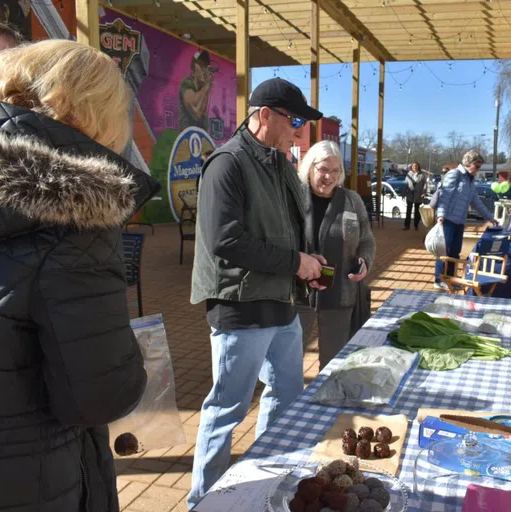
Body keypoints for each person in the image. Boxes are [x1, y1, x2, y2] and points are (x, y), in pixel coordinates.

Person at [0, 39, 158, 511]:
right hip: (28, 479)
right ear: (98, 116)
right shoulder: (78, 221)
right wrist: (134, 357)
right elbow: (101, 396)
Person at [188, 77, 325, 508]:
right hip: (240, 309)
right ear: (264, 115)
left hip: (281, 304)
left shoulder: (279, 164)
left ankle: (265, 484)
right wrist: (294, 264)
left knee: (285, 398)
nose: (300, 130)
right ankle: (203, 501)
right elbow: (225, 241)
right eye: (295, 120)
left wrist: (307, 265)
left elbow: (286, 233)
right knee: (227, 411)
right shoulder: (226, 164)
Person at [297, 141, 376, 370]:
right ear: (309, 168)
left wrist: (364, 261)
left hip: (340, 294)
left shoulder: (352, 201)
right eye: (322, 169)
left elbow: (367, 240)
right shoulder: (294, 198)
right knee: (287, 364)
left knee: (333, 366)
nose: (328, 177)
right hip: (297, 295)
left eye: (335, 171)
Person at [433, 150, 496, 290]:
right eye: (477, 166)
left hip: (460, 221)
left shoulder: (470, 181)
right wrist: (440, 215)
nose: (478, 170)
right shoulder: (454, 174)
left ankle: (450, 279)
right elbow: (444, 196)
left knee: (455, 252)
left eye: (480, 167)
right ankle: (439, 279)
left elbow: (476, 202)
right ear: (468, 163)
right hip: (447, 220)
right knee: (444, 251)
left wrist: (490, 217)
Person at [179, 50, 214, 130]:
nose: (204, 69)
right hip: (187, 138)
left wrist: (207, 85)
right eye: (201, 65)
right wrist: (206, 86)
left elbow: (200, 112)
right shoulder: (187, 83)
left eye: (205, 66)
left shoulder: (202, 88)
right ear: (193, 71)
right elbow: (196, 113)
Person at [403, 161, 427, 231]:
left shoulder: (421, 175)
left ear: (418, 167)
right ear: (411, 167)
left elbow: (424, 184)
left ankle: (416, 225)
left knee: (417, 211)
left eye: (416, 166)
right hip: (410, 195)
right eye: (413, 166)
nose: (414, 167)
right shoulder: (408, 174)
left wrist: (423, 192)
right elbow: (405, 184)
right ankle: (407, 226)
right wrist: (404, 193)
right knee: (408, 211)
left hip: (418, 194)